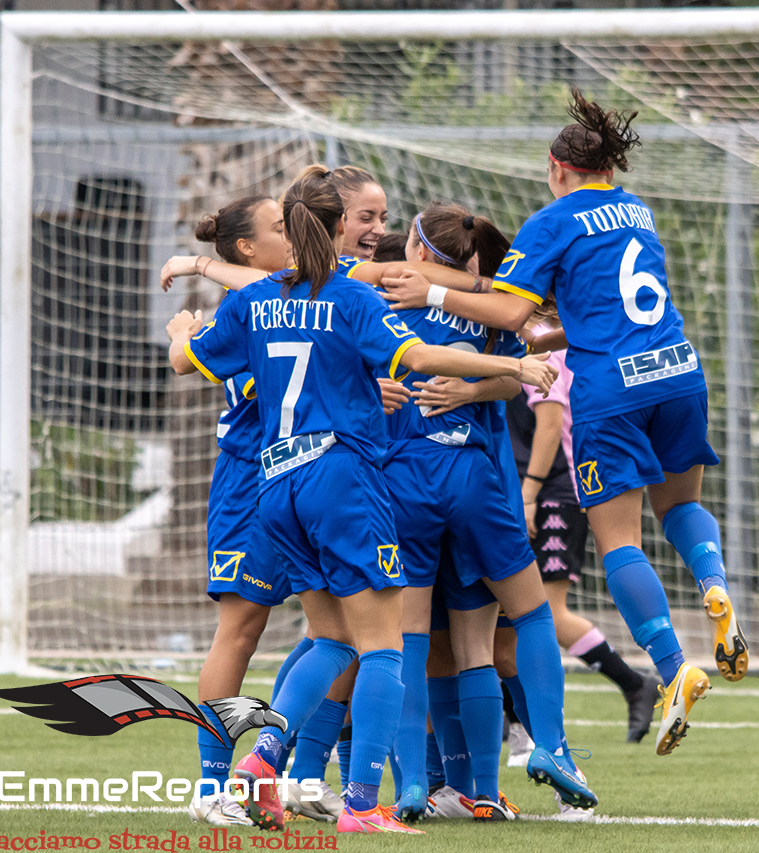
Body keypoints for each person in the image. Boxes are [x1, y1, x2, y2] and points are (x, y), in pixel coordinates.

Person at [167, 165, 557, 834]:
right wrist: (512, 366)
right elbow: (424, 358)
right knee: (381, 647)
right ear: (336, 227)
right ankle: (361, 805)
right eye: (364, 218)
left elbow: (193, 358)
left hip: (273, 483)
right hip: (340, 482)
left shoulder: (253, 298)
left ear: (289, 232)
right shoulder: (351, 300)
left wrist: (180, 332)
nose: (375, 229)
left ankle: (264, 759)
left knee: (329, 637)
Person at [380, 89, 749, 755]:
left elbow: (511, 315)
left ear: (556, 169)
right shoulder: (638, 210)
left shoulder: (553, 221)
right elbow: (571, 310)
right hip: (678, 370)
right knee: (683, 504)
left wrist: (430, 290)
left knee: (620, 541)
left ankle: (672, 668)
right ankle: (715, 586)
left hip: (611, 390)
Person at [370, 205, 598, 819]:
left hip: (403, 480)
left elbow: (311, 287)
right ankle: (544, 749)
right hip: (475, 478)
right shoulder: (492, 306)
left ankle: (415, 784)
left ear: (416, 250)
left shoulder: (377, 293)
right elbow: (527, 358)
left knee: (408, 643)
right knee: (524, 620)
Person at [181, 196, 298, 829]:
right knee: (242, 630)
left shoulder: (287, 292)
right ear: (248, 250)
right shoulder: (252, 304)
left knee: (340, 629)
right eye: (280, 229)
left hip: (304, 477)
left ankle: (288, 772)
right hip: (250, 484)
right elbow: (189, 360)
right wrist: (185, 333)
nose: (293, 236)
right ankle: (211, 787)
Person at [506, 316, 659, 746]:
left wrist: (529, 493)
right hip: (530, 487)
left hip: (554, 490)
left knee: (546, 613)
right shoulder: (522, 342)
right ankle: (512, 722)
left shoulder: (548, 348)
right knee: (508, 611)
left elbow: (551, 424)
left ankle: (633, 683)